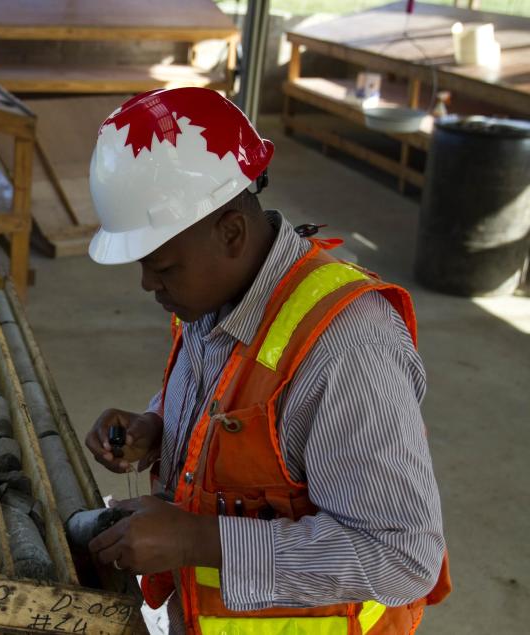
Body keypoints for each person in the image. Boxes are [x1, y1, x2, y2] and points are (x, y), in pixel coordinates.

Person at [82, 87, 451, 634]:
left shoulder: (349, 349)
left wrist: (197, 539)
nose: (145, 283)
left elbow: (403, 557)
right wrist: (157, 425)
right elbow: (236, 400)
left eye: (160, 265)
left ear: (230, 232)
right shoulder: (212, 296)